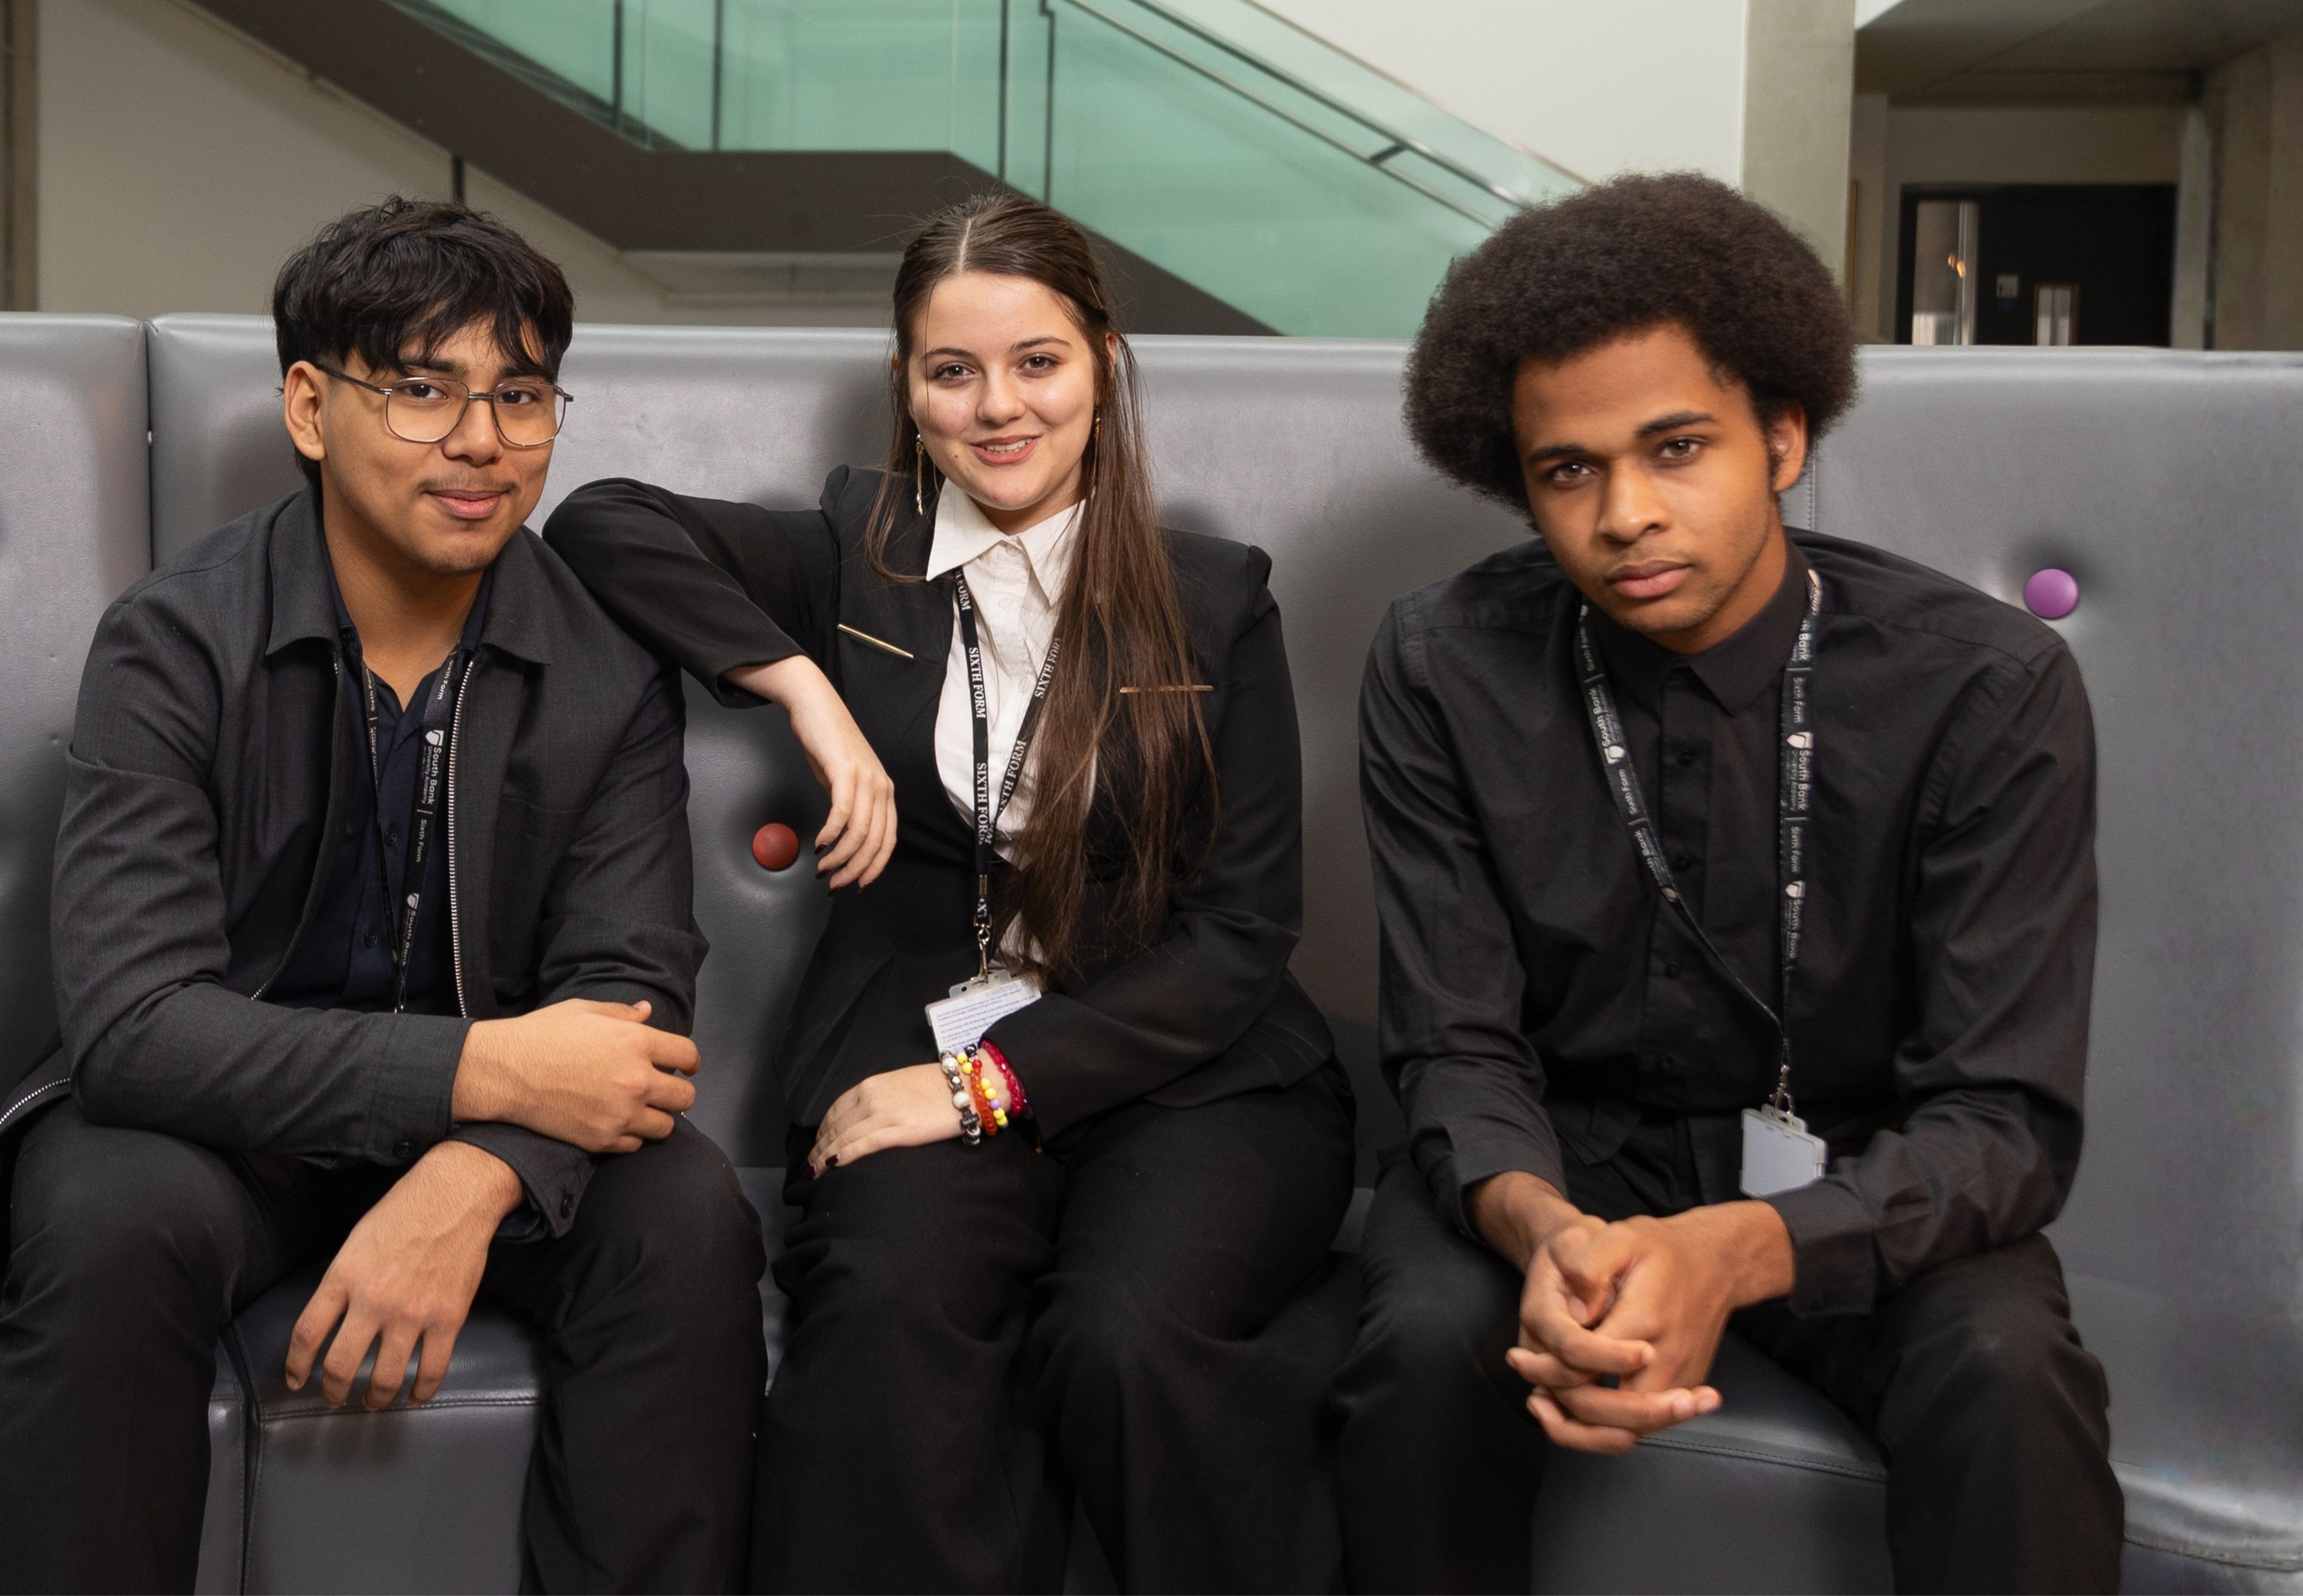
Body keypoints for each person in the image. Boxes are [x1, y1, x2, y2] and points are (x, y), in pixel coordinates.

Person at [0, 197, 765, 1593]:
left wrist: (473, 1167)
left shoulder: (607, 662)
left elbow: (628, 1004)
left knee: (685, 1220)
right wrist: (483, 1070)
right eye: (424, 391)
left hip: (497, 1132)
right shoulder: (178, 637)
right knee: (106, 1213)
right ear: (311, 409)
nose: (483, 442)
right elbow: (137, 1029)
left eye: (519, 394)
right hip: (214, 1138)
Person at [542, 192, 1354, 1592]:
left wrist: (990, 1083)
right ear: (906, 388)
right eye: (951, 370)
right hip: (903, 1046)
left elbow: (1243, 936)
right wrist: (801, 686)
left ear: (1103, 362)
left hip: (1196, 1072)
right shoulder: (848, 559)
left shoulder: (1216, 599)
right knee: (883, 1325)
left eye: (1037, 362)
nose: (998, 409)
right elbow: (601, 522)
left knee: (1126, 1338)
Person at [1329, 172, 2120, 1592]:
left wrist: (1744, 1251)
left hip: (1861, 1172)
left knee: (2007, 1375)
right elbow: (1457, 1045)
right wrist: (1547, 1228)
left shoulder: (1986, 688)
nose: (1626, 513)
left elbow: (2002, 1118)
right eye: (1569, 470)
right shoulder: (1441, 662)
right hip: (1562, 1163)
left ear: (1784, 435)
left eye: (1677, 447)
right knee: (1422, 1352)